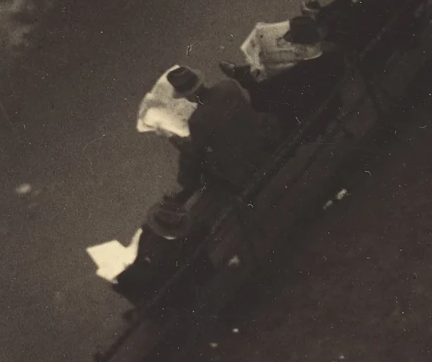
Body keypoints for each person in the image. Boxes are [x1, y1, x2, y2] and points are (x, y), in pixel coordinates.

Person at [219, 16, 345, 141]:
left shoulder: (293, 75)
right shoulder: (334, 54)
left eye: (293, 44)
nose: (292, 47)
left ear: (303, 47)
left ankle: (240, 74)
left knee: (263, 74)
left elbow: (260, 104)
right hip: (333, 104)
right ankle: (240, 72)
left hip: (306, 123)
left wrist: (253, 83)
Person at [164, 66, 281, 196]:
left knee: (195, 158)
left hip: (245, 166)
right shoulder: (228, 85)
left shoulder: (197, 120)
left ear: (188, 95)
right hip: (263, 140)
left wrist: (181, 144)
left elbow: (198, 152)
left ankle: (189, 189)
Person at [111, 193, 214, 312]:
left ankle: (145, 308)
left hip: (170, 287)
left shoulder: (166, 250)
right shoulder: (186, 235)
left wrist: (125, 272)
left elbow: (155, 275)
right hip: (176, 276)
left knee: (122, 281)